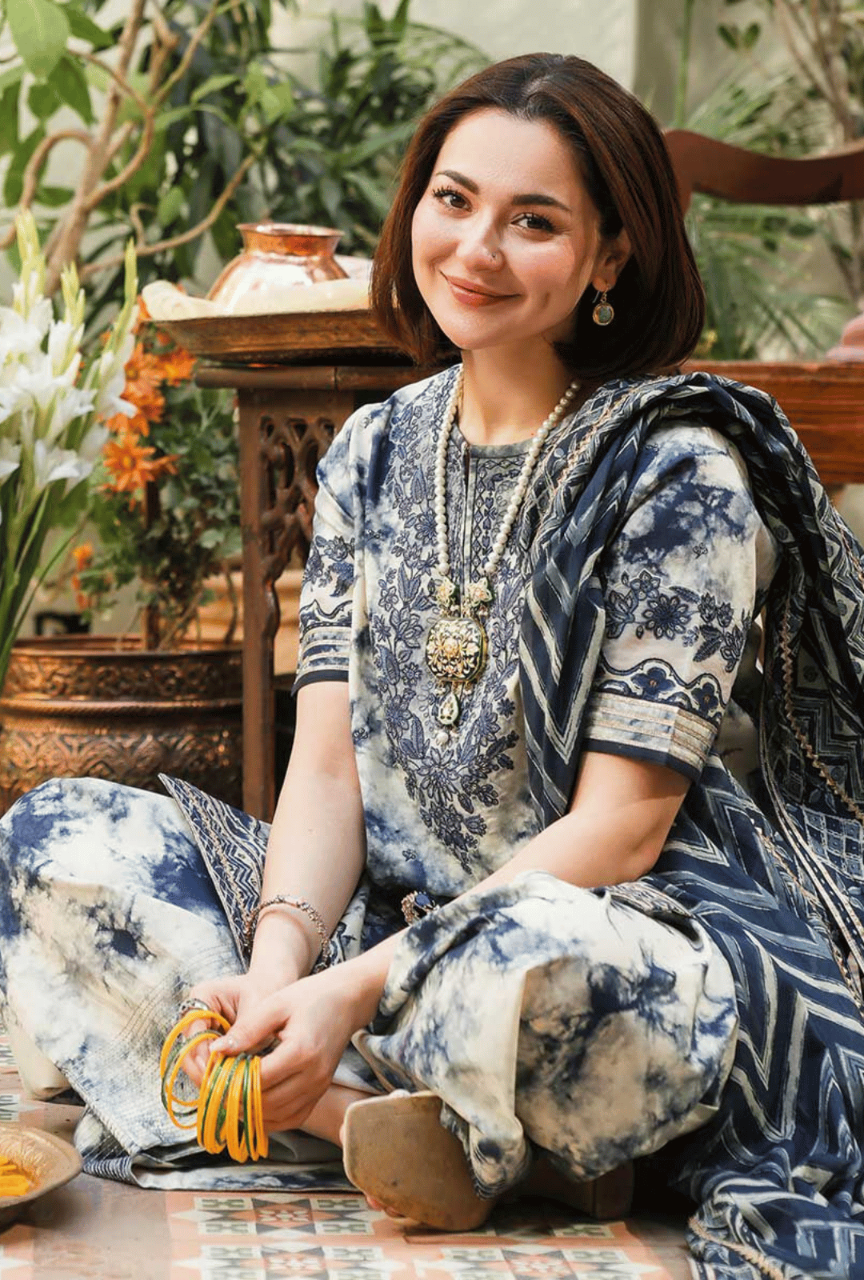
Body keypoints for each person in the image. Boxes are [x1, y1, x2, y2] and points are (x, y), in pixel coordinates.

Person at [1, 51, 864, 1279]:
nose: (474, 248)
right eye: (452, 200)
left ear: (612, 256)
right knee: (54, 836)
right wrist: (280, 970)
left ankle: (339, 1094)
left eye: (534, 220)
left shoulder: (680, 473)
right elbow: (327, 769)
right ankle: (392, 1115)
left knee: (551, 975)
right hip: (381, 920)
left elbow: (623, 830)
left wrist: (356, 989)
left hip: (596, 925)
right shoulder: (369, 451)